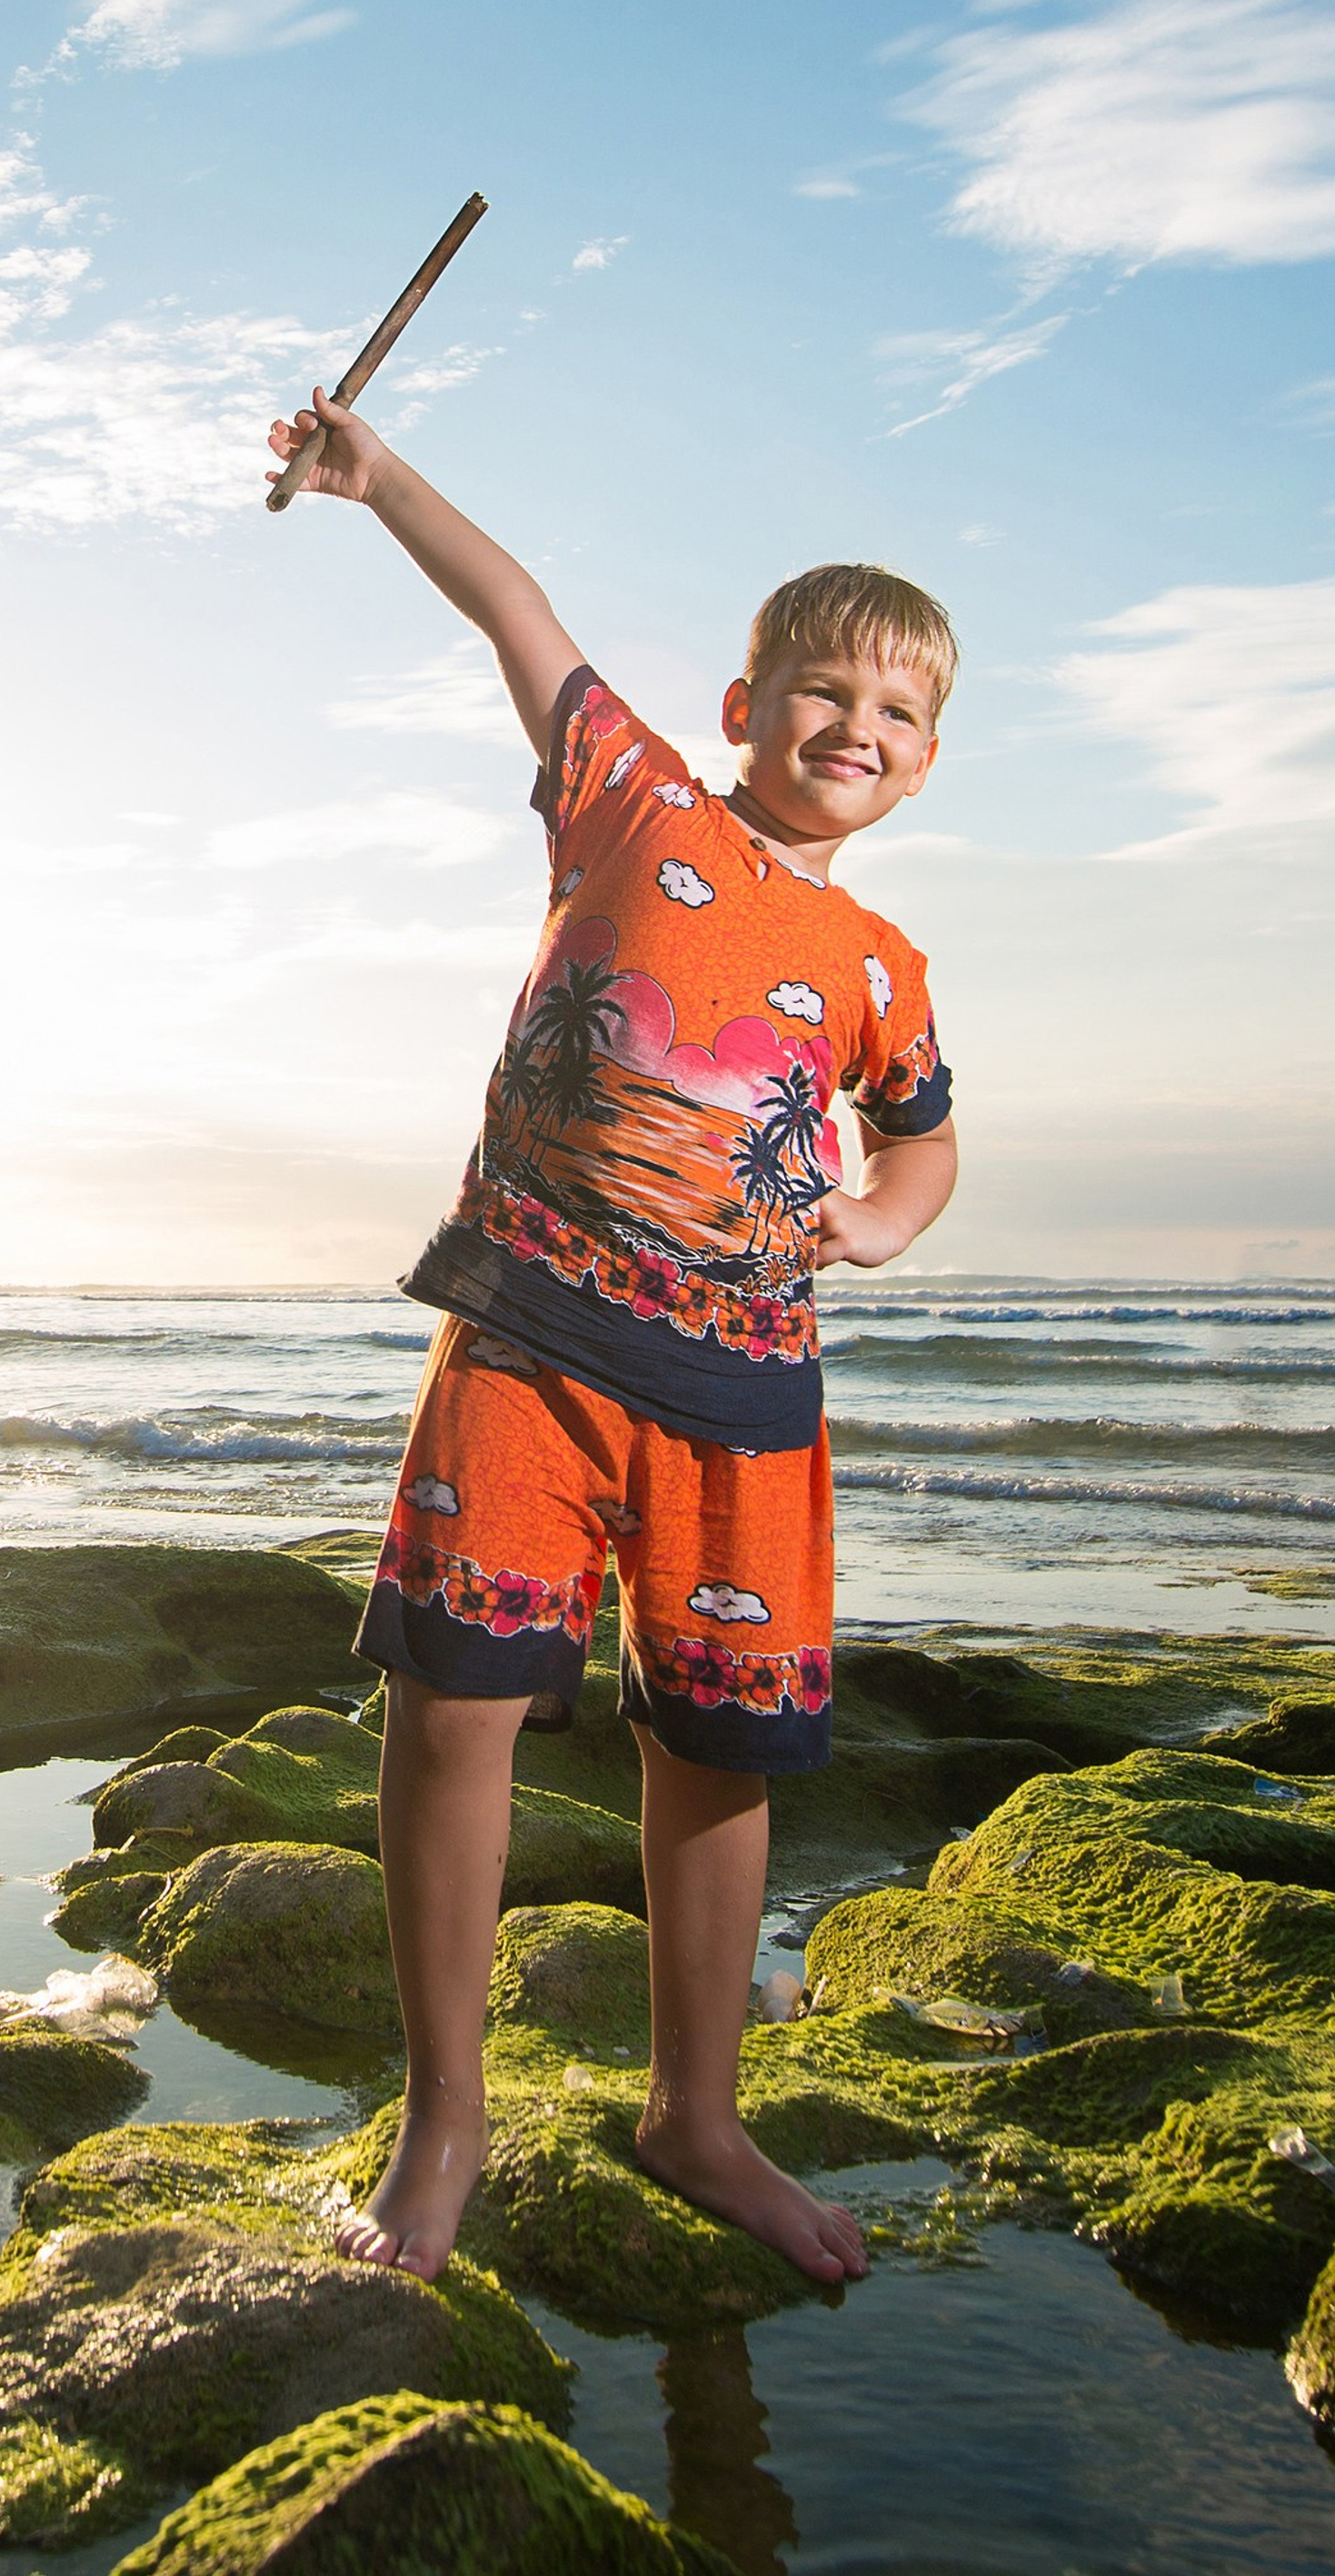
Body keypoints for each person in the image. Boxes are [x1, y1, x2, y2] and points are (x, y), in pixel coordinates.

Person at [264, 384, 960, 2288]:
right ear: (740, 710)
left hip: (740, 1394)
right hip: (531, 1345)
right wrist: (378, 474)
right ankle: (446, 2122)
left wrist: (883, 1220)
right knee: (450, 1710)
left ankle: (694, 2117)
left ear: (920, 765)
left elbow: (920, 1133)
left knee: (716, 1753)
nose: (854, 730)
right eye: (822, 691)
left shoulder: (880, 962)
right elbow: (521, 614)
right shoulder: (630, 800)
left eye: (896, 716)